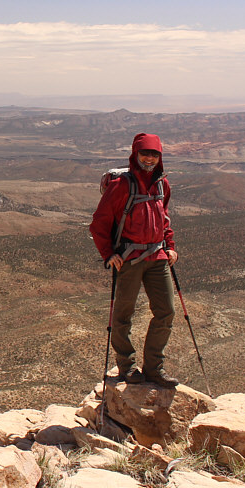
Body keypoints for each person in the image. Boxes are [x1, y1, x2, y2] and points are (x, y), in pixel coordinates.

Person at [89, 133, 179, 387]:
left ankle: (154, 368)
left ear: (160, 156)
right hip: (129, 259)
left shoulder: (162, 184)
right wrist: (109, 255)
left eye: (154, 154)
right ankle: (127, 367)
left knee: (166, 312)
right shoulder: (121, 186)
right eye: (145, 154)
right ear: (135, 155)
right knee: (123, 316)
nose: (149, 158)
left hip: (158, 256)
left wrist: (170, 246)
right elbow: (99, 223)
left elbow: (164, 218)